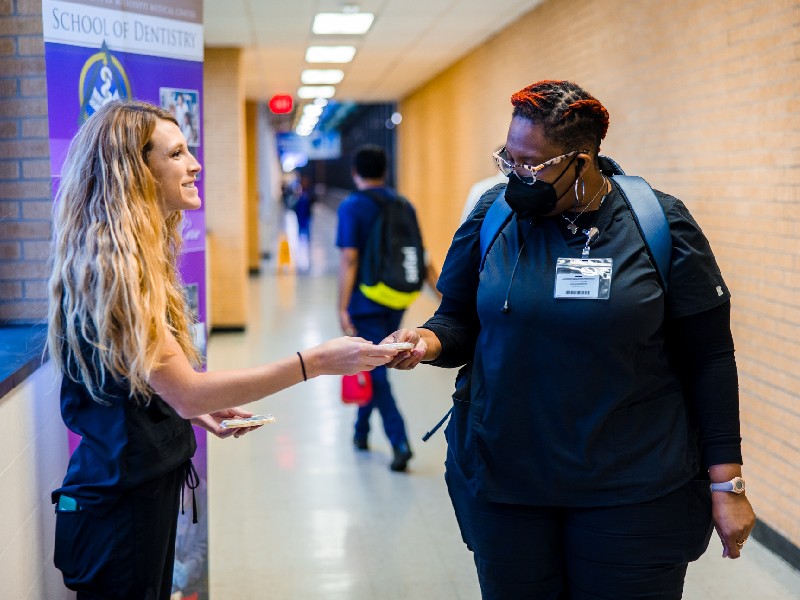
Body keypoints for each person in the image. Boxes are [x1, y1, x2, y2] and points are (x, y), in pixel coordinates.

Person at [383, 80, 756, 598]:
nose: (516, 175)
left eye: (532, 165)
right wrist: (425, 341)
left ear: (583, 161)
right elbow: (459, 320)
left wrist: (727, 484)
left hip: (634, 487)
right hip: (506, 481)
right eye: (508, 158)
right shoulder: (493, 216)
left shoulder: (657, 223)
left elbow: (710, 357)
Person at [46, 100, 404, 599]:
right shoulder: (115, 271)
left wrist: (188, 413)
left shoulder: (129, 260)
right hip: (117, 508)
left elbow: (147, 383)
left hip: (132, 492)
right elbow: (188, 391)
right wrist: (315, 362)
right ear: (134, 171)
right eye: (176, 154)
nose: (195, 164)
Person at [336, 145, 439, 471]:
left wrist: (341, 306)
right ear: (384, 170)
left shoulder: (352, 205)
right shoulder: (403, 203)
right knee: (373, 365)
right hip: (397, 298)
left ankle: (400, 441)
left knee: (376, 370)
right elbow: (420, 254)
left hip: (366, 301)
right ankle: (360, 431)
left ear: (355, 172)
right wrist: (440, 293)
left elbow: (349, 258)